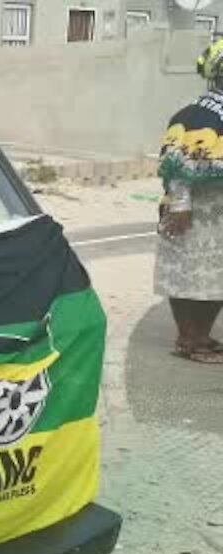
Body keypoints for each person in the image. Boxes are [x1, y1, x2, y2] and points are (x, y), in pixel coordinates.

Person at [155, 38, 223, 364]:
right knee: (187, 275)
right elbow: (176, 162)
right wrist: (181, 205)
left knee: (213, 278)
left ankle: (200, 336)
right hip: (194, 213)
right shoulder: (197, 116)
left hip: (216, 217)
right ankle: (188, 339)